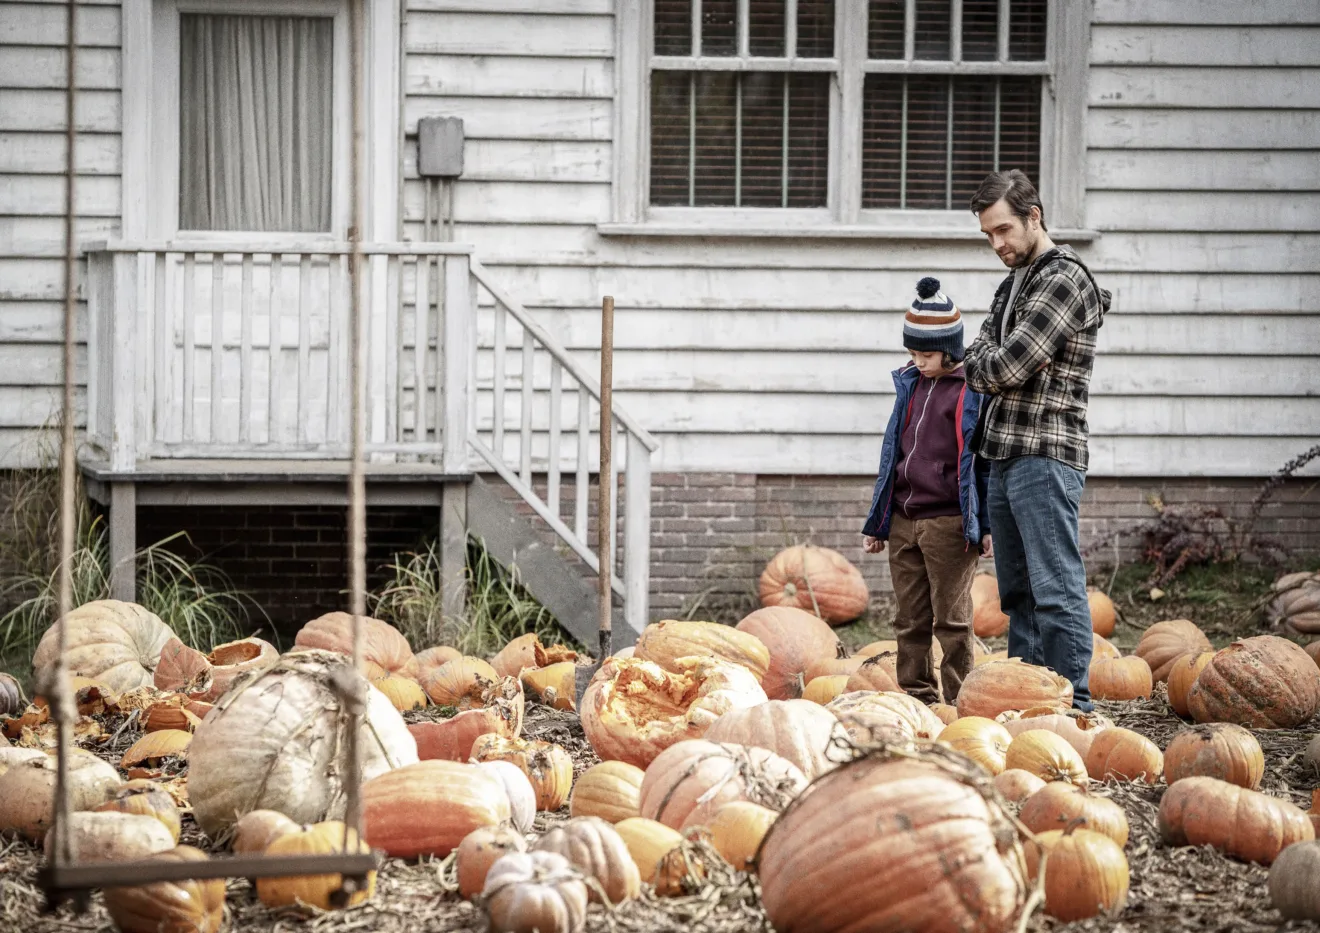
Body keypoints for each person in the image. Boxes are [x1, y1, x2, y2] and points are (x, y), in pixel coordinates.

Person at [962, 170, 1112, 712]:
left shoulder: (1064, 278)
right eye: (988, 236)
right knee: (1018, 594)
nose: (997, 244)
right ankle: (1027, 701)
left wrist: (984, 363)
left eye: (1003, 230)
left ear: (1034, 216)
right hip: (1003, 453)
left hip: (1046, 454)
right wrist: (985, 362)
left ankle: (1075, 708)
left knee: (1055, 588)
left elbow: (1004, 365)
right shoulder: (1013, 284)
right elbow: (977, 354)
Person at [861, 277, 993, 706]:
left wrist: (984, 524)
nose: (918, 361)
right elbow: (891, 457)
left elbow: (981, 464)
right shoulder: (910, 386)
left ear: (951, 350)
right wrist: (878, 522)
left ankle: (958, 703)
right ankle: (917, 697)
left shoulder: (970, 393)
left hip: (948, 522)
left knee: (951, 619)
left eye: (926, 354)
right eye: (912, 353)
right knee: (909, 617)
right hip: (904, 518)